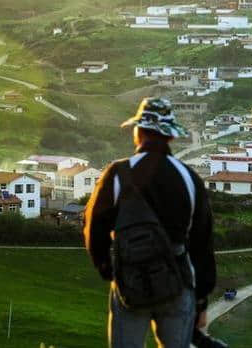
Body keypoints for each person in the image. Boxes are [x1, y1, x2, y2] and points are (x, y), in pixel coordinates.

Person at [83, 98, 216, 348]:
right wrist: (201, 302)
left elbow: (94, 227)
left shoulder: (117, 173)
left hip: (129, 278)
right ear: (170, 136)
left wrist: (109, 270)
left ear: (138, 132)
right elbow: (202, 244)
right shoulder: (189, 178)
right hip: (177, 280)